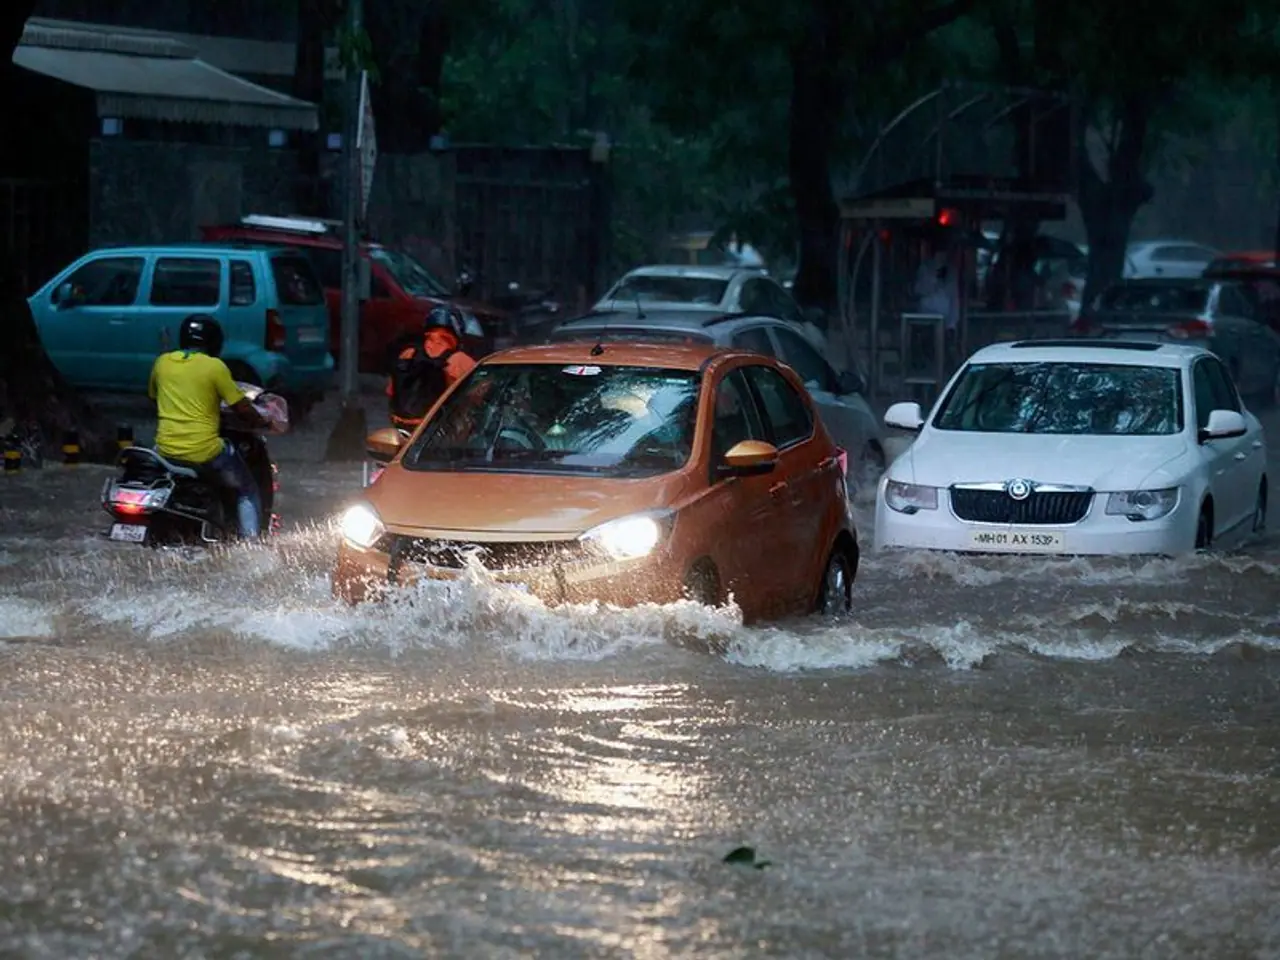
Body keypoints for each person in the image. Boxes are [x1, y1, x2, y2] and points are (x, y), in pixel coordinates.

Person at [148, 314, 270, 538]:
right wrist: (262, 421)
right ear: (215, 342)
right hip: (205, 451)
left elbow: (154, 397)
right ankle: (251, 547)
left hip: (164, 450)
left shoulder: (162, 363)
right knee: (247, 490)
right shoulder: (215, 367)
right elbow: (241, 407)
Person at [386, 304, 478, 431]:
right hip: (437, 435)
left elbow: (390, 393)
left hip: (400, 427)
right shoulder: (461, 361)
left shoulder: (407, 354)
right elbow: (480, 398)